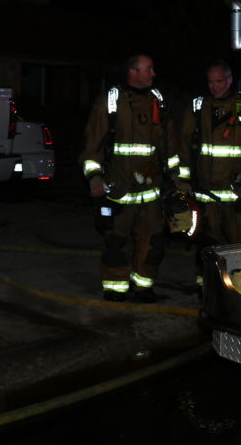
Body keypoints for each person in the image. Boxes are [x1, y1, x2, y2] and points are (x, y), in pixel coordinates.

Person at [79, 54, 179, 303]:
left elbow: (169, 146)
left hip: (151, 191)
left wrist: (176, 178)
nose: (154, 73)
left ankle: (144, 287)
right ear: (133, 72)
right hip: (118, 189)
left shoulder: (158, 101)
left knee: (153, 242)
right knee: (116, 242)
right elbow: (92, 146)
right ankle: (116, 287)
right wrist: (94, 177)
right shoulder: (111, 101)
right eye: (149, 69)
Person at [178, 60, 241, 287]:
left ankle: (240, 291)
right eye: (210, 82)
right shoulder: (198, 107)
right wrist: (183, 179)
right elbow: (183, 146)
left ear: (229, 80)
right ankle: (206, 290)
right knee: (207, 246)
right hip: (206, 195)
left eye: (219, 81)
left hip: (237, 197)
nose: (214, 87)